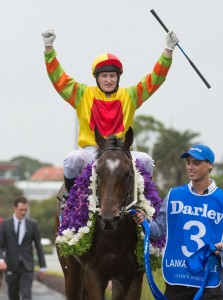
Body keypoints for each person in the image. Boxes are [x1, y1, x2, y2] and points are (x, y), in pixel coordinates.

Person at [42, 29, 179, 193]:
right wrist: (49, 49)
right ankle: (69, 200)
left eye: (112, 76)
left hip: (120, 150)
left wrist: (168, 51)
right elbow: (59, 79)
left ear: (118, 77)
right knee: (72, 159)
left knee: (147, 160)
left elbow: (154, 79)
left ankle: (145, 201)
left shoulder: (130, 95)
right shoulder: (82, 94)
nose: (108, 80)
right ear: (97, 78)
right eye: (104, 76)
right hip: (92, 152)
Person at [134, 144, 223, 300]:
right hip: (178, 277)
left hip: (213, 280)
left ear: (209, 165)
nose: (190, 167)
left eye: (196, 163)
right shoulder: (173, 195)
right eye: (188, 162)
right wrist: (144, 221)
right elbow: (157, 232)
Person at [0, 196, 47, 300]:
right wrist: (1, 259)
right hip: (11, 266)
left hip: (27, 267)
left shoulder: (32, 224)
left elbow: (39, 246)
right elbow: (1, 245)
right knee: (13, 296)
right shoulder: (5, 224)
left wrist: (43, 267)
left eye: (26, 210)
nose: (23, 212)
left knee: (26, 295)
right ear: (15, 208)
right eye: (21, 210)